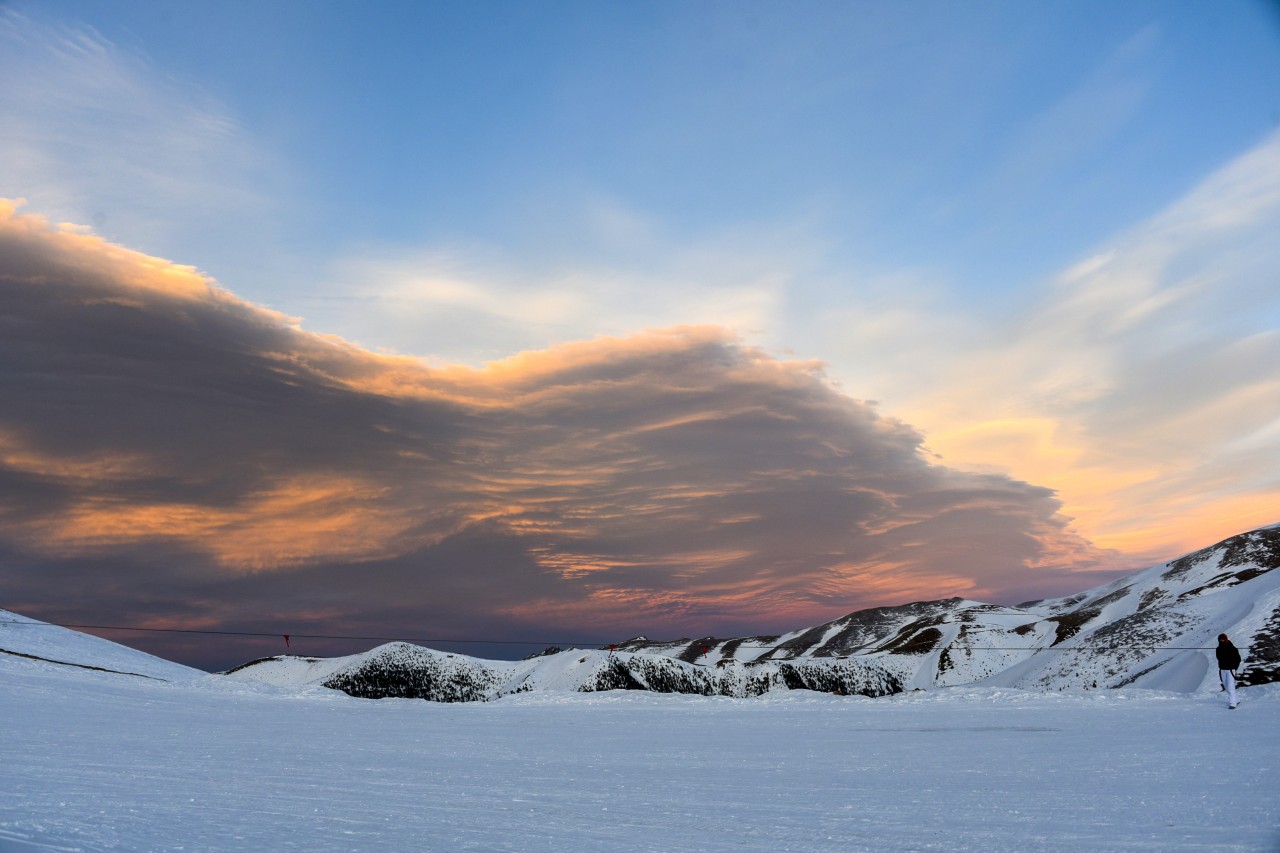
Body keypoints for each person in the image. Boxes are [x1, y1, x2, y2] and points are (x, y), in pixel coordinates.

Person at [1215, 633, 1242, 709]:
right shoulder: (1218, 649)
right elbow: (1218, 658)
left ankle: (1233, 703)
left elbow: (1238, 659)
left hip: (1230, 670)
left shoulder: (1233, 648)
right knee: (1226, 687)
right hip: (1223, 670)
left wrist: (1234, 667)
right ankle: (1237, 699)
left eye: (1223, 639)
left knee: (1230, 686)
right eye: (1220, 640)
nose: (1221, 641)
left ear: (1226, 639)